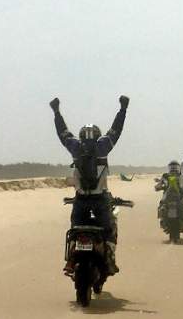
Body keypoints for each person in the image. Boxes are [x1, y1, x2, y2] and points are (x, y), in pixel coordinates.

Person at [52, 95, 129, 274]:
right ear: (97, 136)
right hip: (100, 199)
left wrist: (56, 112)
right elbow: (116, 130)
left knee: (75, 230)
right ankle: (109, 258)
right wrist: (123, 109)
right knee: (109, 230)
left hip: (80, 200)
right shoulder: (103, 146)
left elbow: (62, 133)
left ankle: (71, 260)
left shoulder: (75, 147)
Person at [155, 160, 183, 230]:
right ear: (169, 168)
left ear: (178, 168)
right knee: (161, 206)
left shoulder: (182, 176)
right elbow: (159, 184)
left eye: (175, 167)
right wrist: (158, 186)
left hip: (179, 197)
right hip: (167, 197)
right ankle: (162, 220)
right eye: (172, 167)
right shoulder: (165, 176)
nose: (173, 169)